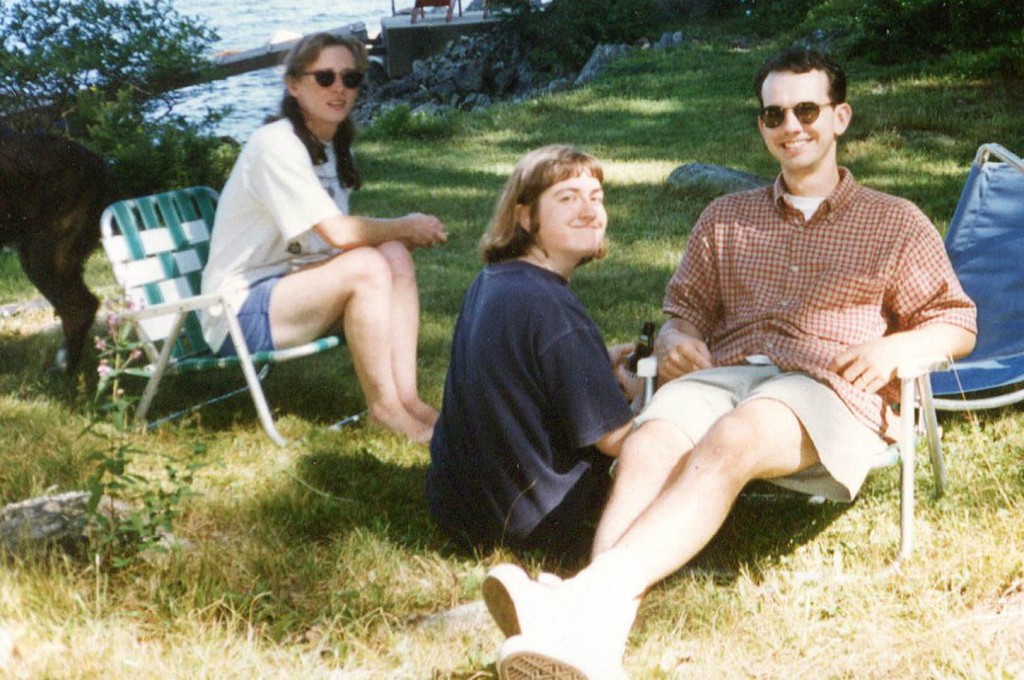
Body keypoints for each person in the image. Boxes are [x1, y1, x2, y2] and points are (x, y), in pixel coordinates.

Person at [481, 48, 978, 679]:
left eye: (806, 110)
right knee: (650, 440)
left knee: (734, 437)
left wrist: (892, 348)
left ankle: (579, 597)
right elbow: (681, 312)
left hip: (827, 386)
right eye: (774, 114)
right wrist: (676, 340)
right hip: (728, 374)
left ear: (840, 117)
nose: (790, 126)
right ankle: (594, 638)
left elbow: (956, 322)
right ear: (762, 126)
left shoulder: (894, 222)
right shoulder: (726, 218)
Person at [199, 32, 447, 443]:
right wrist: (407, 224)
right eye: (325, 77)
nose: (339, 88)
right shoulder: (276, 145)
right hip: (237, 313)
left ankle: (408, 400)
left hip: (288, 290)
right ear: (293, 85)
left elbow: (334, 242)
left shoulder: (327, 145)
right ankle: (384, 410)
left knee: (393, 256)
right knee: (369, 264)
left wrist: (396, 238)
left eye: (350, 79)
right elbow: (337, 233)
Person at [427, 145, 638, 559]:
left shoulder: (495, 280)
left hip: (461, 510)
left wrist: (593, 364)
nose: (590, 210)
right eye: (567, 198)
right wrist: (654, 396)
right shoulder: (553, 310)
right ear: (525, 217)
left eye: (596, 197)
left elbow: (521, 374)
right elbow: (616, 441)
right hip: (540, 520)